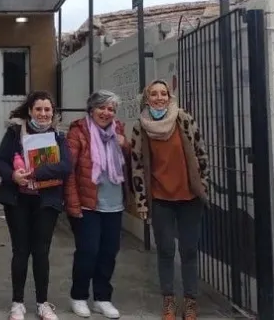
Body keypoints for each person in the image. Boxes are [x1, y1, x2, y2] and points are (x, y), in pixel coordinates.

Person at [129, 80, 209, 320]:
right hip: (160, 198)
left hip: (189, 197)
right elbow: (137, 166)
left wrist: (203, 185)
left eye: (163, 93)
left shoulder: (184, 120)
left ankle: (191, 301)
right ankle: (169, 301)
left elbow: (201, 154)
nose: (159, 98)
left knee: (189, 250)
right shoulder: (140, 127)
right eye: (154, 94)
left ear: (169, 97)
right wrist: (142, 202)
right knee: (165, 250)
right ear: (147, 98)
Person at [0, 90, 72, 320]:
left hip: (46, 202)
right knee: (20, 251)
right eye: (38, 109)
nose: (43, 113)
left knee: (41, 252)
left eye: (47, 109)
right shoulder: (15, 133)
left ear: (53, 112)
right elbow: (0, 161)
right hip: (18, 200)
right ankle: (17, 303)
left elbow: (66, 166)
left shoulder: (58, 137)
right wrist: (13, 176)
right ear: (30, 111)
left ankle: (42, 303)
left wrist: (36, 172)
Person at [63, 90, 129, 319]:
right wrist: (73, 204)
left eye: (111, 109)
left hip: (114, 204)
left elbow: (129, 162)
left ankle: (102, 298)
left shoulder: (118, 131)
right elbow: (69, 170)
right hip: (87, 204)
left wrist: (125, 145)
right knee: (88, 251)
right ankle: (79, 296)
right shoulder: (78, 132)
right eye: (102, 107)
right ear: (91, 109)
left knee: (108, 252)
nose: (106, 112)